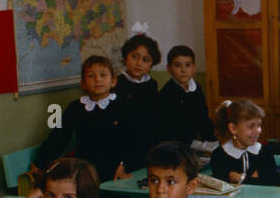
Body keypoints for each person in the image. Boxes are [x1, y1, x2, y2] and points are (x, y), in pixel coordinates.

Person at [34, 55, 141, 183]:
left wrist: (124, 165)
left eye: (103, 75)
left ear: (113, 81)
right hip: (84, 171)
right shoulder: (75, 107)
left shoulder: (123, 105)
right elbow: (59, 135)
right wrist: (40, 162)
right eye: (91, 76)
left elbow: (133, 139)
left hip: (115, 169)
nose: (98, 80)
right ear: (83, 84)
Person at [114, 24, 162, 164]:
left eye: (145, 60)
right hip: (125, 146)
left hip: (148, 145)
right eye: (134, 56)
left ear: (152, 64)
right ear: (125, 58)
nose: (139, 63)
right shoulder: (117, 84)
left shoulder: (152, 84)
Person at [157, 45, 216, 150]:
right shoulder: (166, 94)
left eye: (188, 65)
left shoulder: (196, 88)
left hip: (194, 144)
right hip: (173, 146)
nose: (183, 70)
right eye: (177, 65)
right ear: (169, 69)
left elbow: (203, 118)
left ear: (194, 68)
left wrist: (212, 140)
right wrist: (198, 145)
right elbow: (171, 130)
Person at [209, 99, 280, 185]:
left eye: (259, 125)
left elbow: (273, 182)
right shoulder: (219, 155)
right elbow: (221, 186)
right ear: (233, 128)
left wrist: (239, 178)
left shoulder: (265, 151)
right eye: (251, 126)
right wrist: (254, 178)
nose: (258, 131)